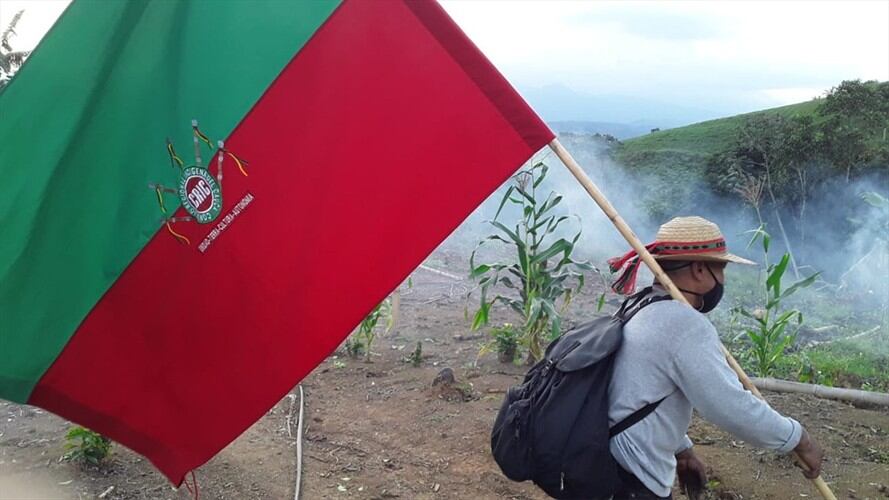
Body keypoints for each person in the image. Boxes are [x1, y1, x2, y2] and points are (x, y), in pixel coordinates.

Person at [606, 216, 824, 500]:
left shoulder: (639, 305)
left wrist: (682, 449)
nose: (722, 279)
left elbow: (637, 393)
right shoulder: (683, 323)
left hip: (607, 459)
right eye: (721, 268)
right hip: (631, 475)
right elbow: (729, 405)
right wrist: (798, 438)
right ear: (699, 269)